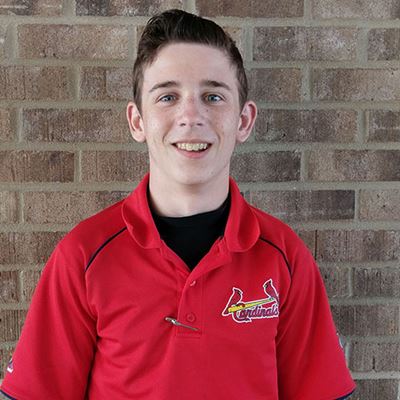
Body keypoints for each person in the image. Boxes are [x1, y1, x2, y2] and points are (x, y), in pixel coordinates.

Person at [0, 9, 355, 400]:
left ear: (243, 120)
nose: (191, 116)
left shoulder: (284, 257)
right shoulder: (82, 256)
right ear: (137, 121)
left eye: (213, 96)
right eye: (168, 97)